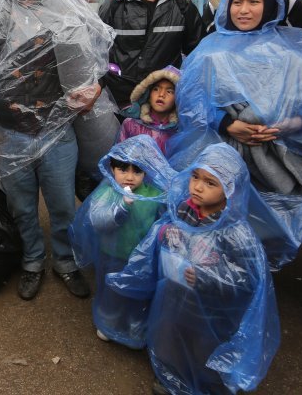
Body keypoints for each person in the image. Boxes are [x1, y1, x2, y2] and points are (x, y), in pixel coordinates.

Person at [0, 0, 114, 300]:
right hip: (11, 131)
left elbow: (92, 56)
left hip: (58, 129)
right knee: (22, 207)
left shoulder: (64, 5)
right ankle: (32, 261)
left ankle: (65, 261)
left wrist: (93, 86)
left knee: (63, 204)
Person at [171, 0, 302, 270]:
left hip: (278, 156)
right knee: (217, 218)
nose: (244, 10)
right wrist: (227, 123)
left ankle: (251, 273)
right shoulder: (210, 51)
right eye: (237, 1)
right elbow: (190, 102)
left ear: (269, 5)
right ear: (226, 5)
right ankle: (218, 274)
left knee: (261, 229)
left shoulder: (293, 49)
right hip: (222, 152)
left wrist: (291, 125)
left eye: (253, 1)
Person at [107, 144, 280, 395]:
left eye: (211, 183)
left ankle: (198, 384)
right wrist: (168, 237)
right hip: (176, 297)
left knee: (202, 350)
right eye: (195, 176)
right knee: (171, 337)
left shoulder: (235, 233)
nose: (197, 187)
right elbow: (173, 241)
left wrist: (206, 278)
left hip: (209, 311)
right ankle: (171, 378)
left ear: (230, 189)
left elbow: (246, 281)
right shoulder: (184, 210)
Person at [69, 135, 175, 348]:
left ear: (146, 172)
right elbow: (98, 221)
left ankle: (135, 322)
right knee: (112, 290)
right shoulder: (107, 191)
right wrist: (122, 207)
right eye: (123, 169)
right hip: (112, 254)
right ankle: (109, 321)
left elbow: (162, 219)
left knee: (138, 291)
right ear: (112, 169)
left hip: (140, 256)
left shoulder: (154, 194)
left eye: (137, 171)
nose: (129, 176)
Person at [98, 0, 203, 108]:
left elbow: (198, 57)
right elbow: (96, 55)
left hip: (165, 108)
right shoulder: (113, 6)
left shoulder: (182, 6)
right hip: (120, 106)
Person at [116, 65, 180, 153]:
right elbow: (117, 160)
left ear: (178, 98)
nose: (161, 94)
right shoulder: (130, 125)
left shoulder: (179, 133)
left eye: (169, 91)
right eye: (156, 89)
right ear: (148, 94)